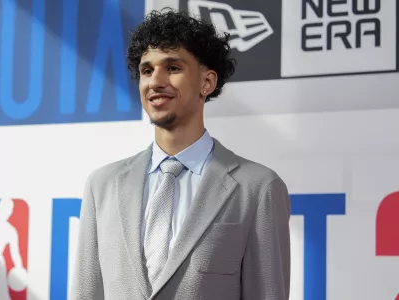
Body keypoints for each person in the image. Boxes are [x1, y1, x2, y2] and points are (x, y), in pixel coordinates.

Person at [70, 8, 291, 300]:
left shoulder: (258, 188)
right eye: (147, 70)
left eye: (172, 68)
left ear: (207, 82)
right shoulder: (102, 186)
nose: (155, 81)